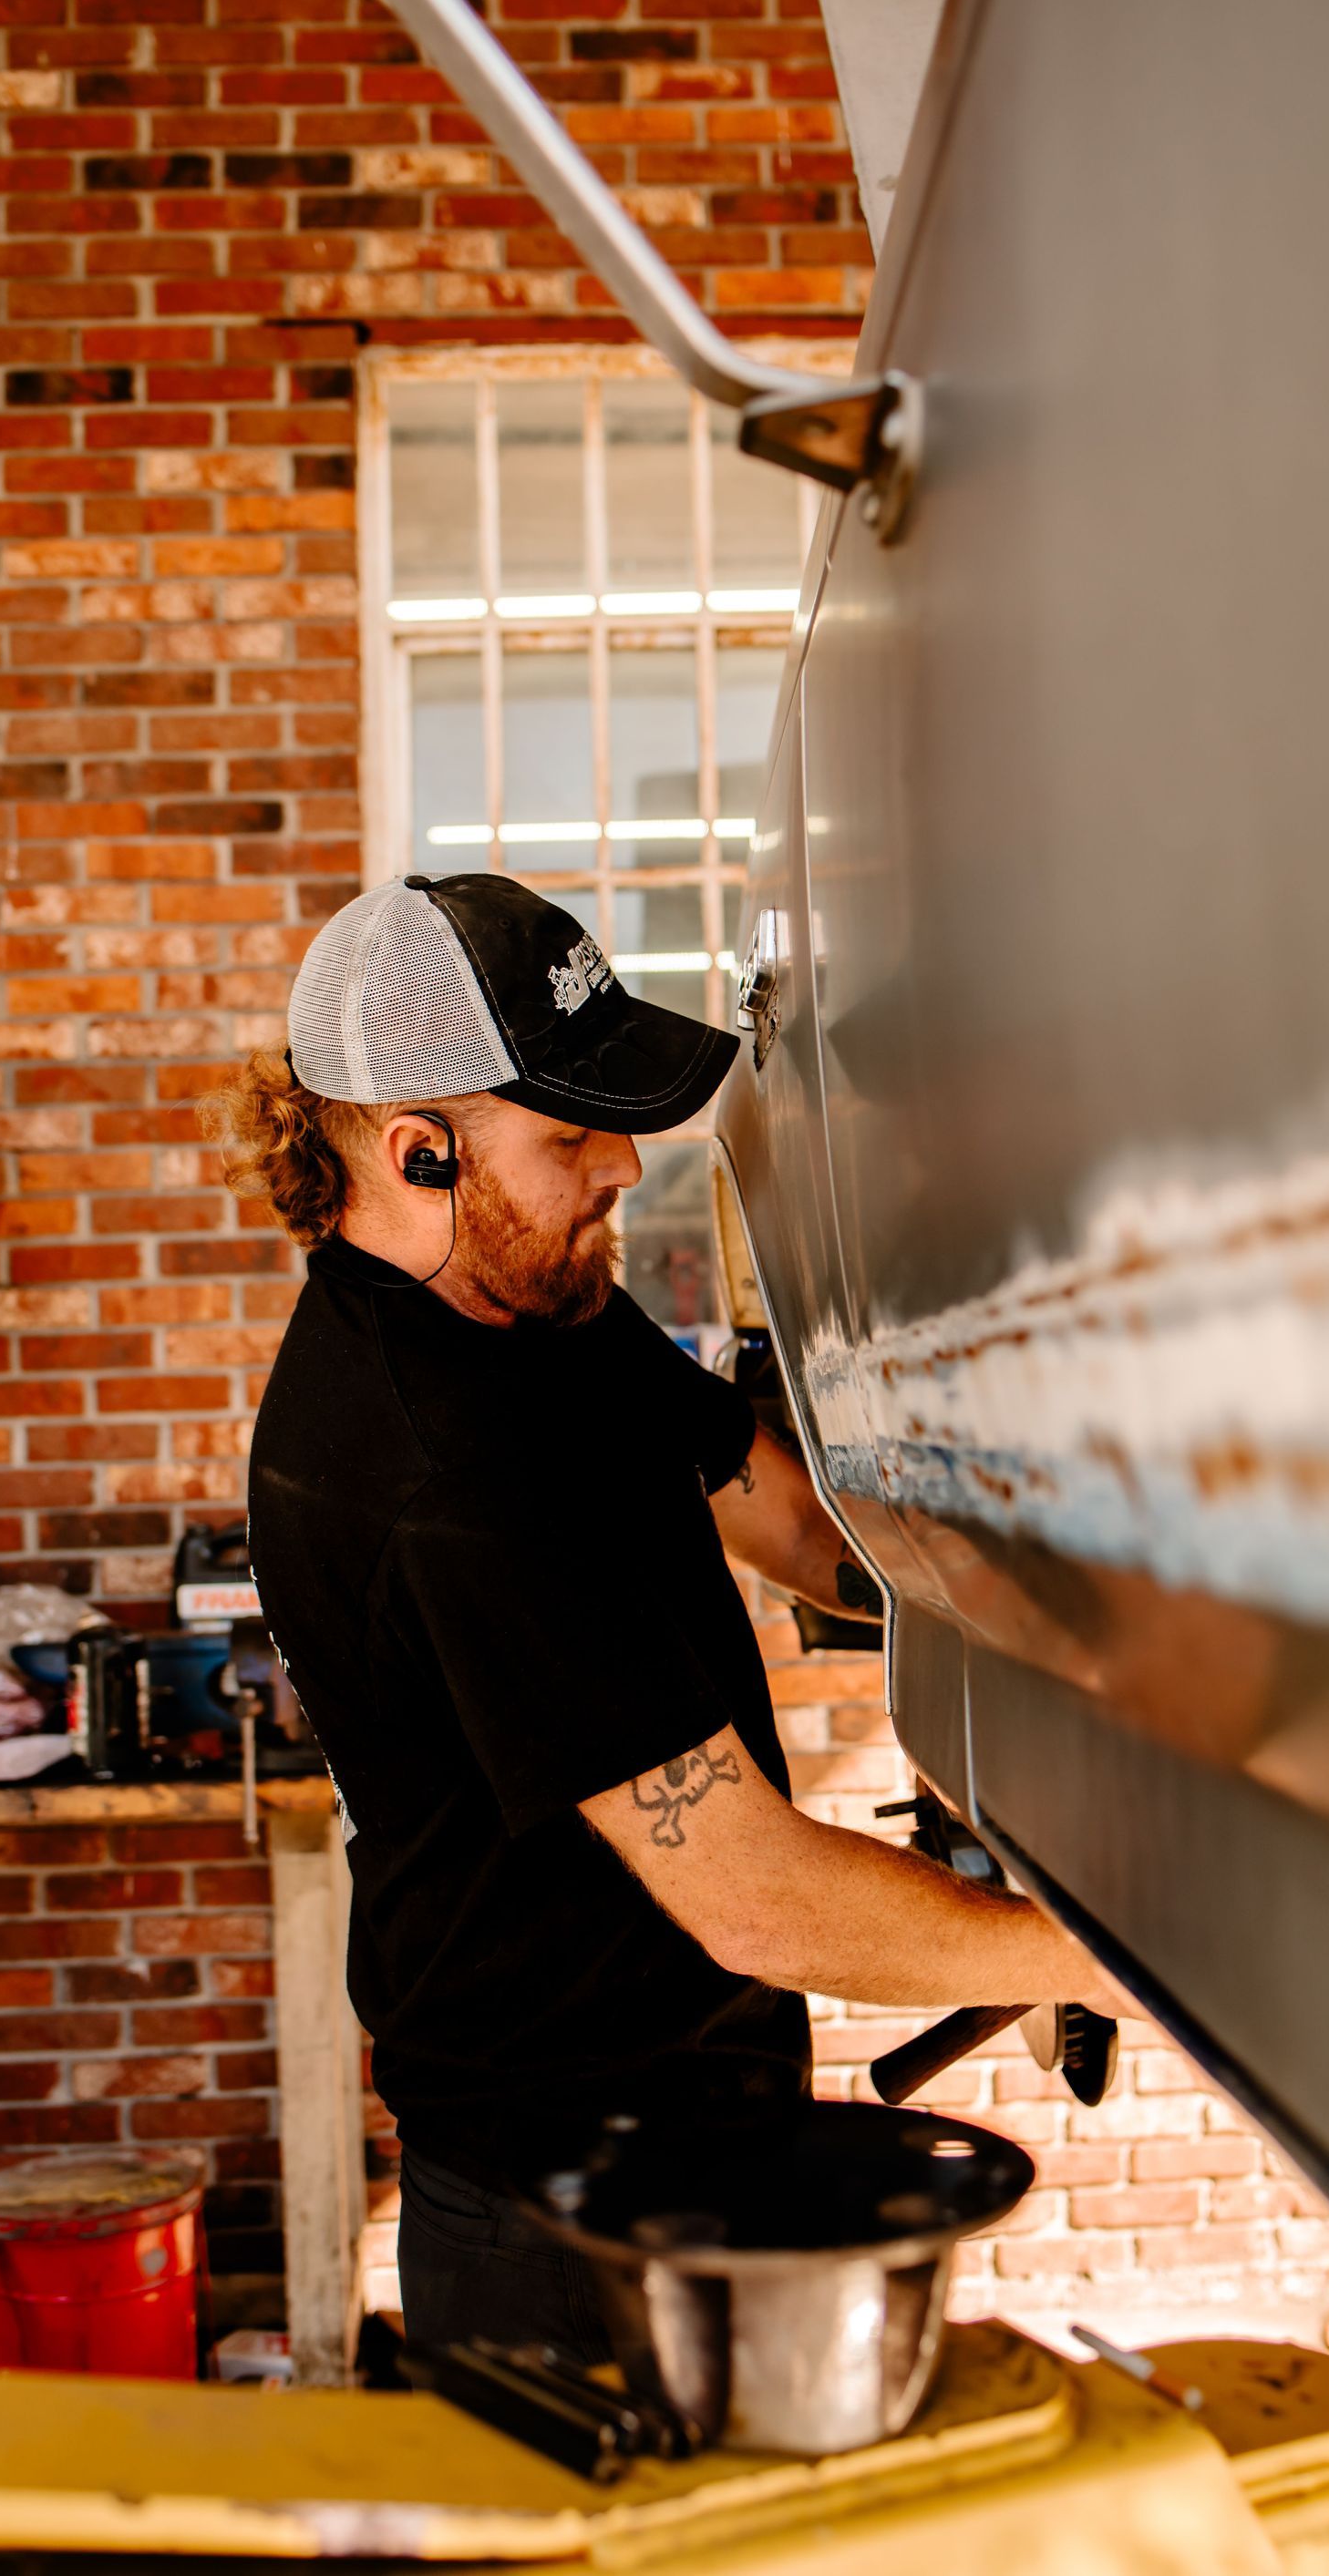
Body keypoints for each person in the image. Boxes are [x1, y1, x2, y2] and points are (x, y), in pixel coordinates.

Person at [214, 872, 1121, 2363]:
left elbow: (791, 1521)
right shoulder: (438, 1468)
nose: (625, 1166)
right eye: (569, 1132)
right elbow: (751, 1894)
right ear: (416, 1151)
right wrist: (1103, 1949)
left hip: (703, 2138)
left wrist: (1039, 1614)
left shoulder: (534, 1304)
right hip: (564, 2227)